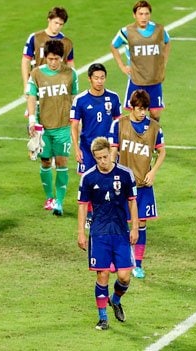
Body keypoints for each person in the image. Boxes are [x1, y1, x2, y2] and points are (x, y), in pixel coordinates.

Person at [77, 137, 139, 331]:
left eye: (105, 157)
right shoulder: (88, 177)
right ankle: (103, 318)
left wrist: (135, 227)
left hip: (120, 231)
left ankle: (116, 300)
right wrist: (81, 233)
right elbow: (81, 206)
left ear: (111, 153)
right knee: (102, 275)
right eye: (98, 158)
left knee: (124, 277)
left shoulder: (125, 174)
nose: (102, 161)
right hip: (99, 232)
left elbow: (132, 201)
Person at [109, 89, 166, 278]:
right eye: (139, 109)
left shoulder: (154, 128)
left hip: (143, 183)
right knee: (120, 222)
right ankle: (117, 259)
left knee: (141, 222)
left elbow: (162, 152)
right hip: (122, 184)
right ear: (131, 107)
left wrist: (153, 171)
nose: (143, 113)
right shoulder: (119, 125)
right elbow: (112, 151)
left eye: (145, 109)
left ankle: (138, 263)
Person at [26, 39, 79, 216]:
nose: (53, 62)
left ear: (62, 58)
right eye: (50, 59)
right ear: (45, 57)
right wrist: (32, 121)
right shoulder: (36, 74)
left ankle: (60, 202)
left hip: (64, 126)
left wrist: (77, 121)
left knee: (62, 161)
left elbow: (74, 98)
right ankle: (49, 197)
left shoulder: (71, 74)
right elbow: (31, 97)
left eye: (57, 59)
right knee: (46, 161)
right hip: (44, 127)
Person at [70, 63, 121, 226]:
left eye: (102, 78)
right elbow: (74, 125)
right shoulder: (80, 100)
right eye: (96, 78)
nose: (99, 81)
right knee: (89, 182)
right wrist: (77, 149)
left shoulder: (113, 98)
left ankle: (110, 212)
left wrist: (117, 148)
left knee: (111, 180)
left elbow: (118, 123)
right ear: (89, 79)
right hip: (87, 149)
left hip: (108, 150)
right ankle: (90, 214)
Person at [110, 0, 171, 121]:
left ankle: (153, 139)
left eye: (146, 14)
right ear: (134, 15)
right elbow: (113, 46)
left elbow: (167, 42)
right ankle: (137, 139)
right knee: (136, 114)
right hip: (136, 80)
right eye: (140, 14)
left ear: (150, 15)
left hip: (154, 80)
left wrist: (163, 63)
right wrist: (122, 66)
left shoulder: (159, 30)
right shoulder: (126, 31)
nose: (144, 17)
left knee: (155, 114)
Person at [21, 7, 74, 95]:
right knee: (34, 108)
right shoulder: (35, 38)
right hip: (38, 84)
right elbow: (25, 61)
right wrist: (26, 85)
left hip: (58, 87)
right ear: (49, 20)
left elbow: (70, 64)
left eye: (61, 24)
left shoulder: (67, 42)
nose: (57, 27)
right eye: (56, 23)